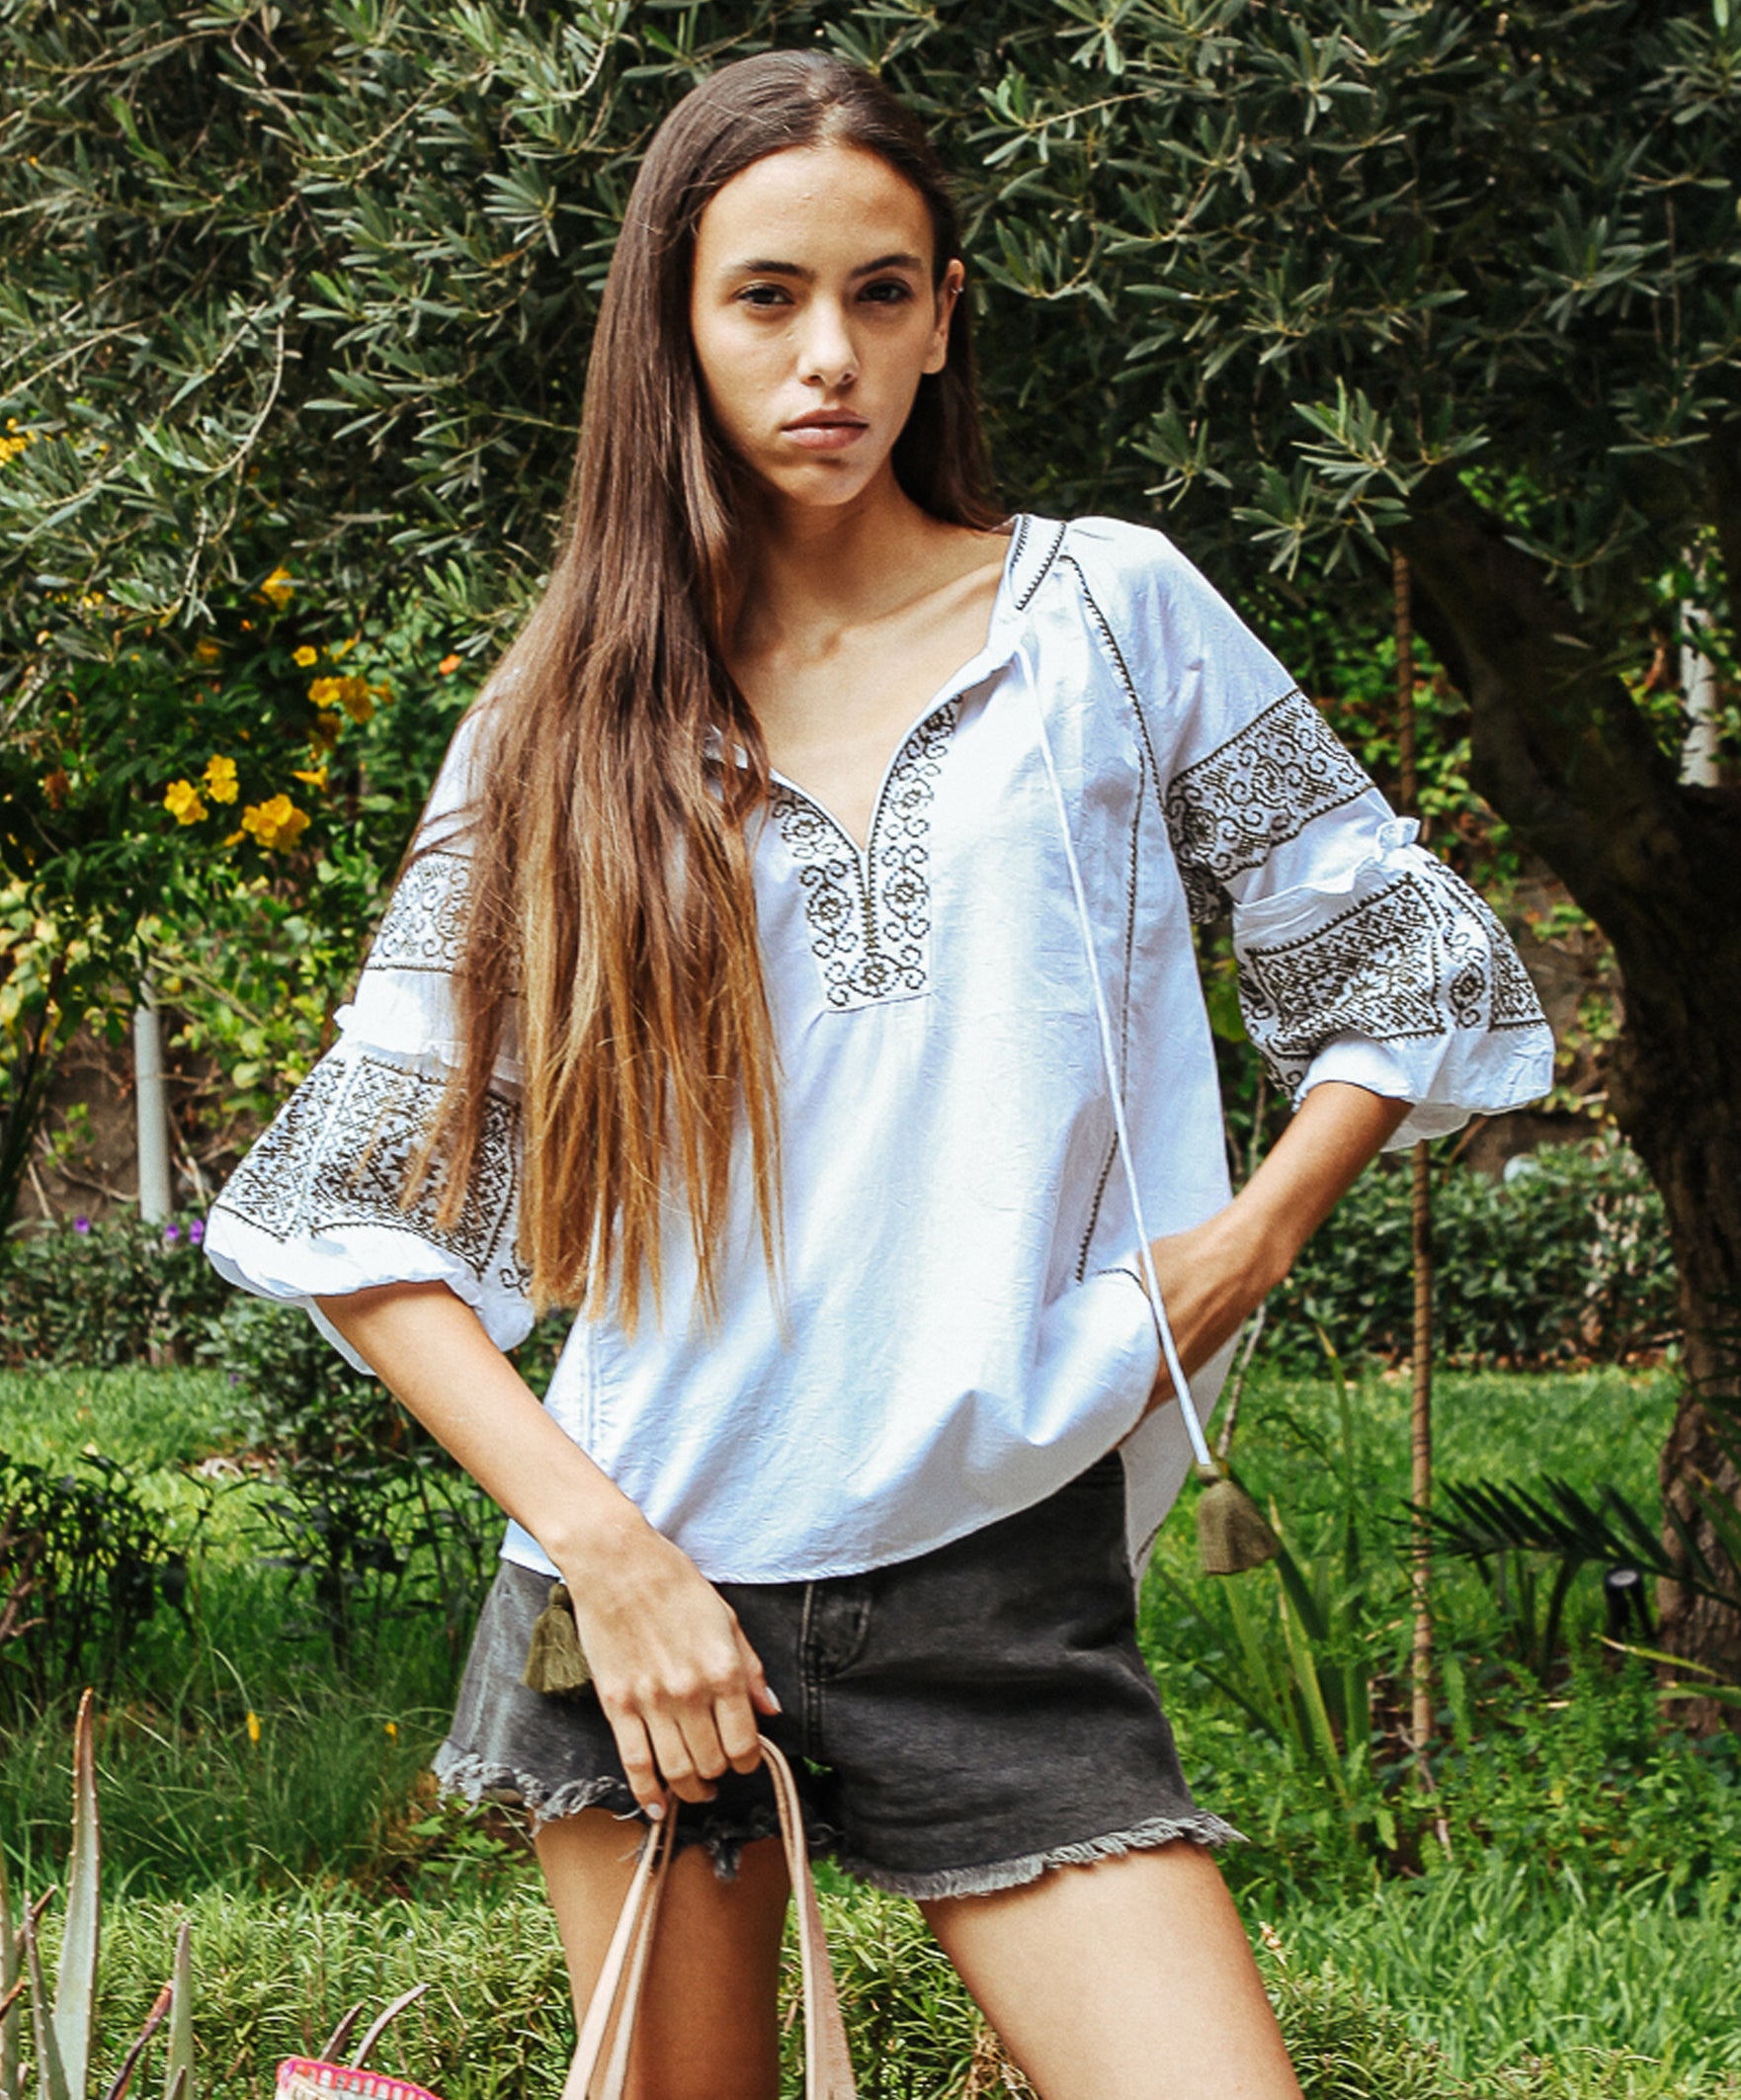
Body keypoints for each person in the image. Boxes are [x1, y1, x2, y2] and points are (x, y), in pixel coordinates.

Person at [205, 48, 1552, 2100]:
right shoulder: (561, 718)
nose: (825, 354)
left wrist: (1250, 1237)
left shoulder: (1106, 613)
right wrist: (610, 1552)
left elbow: (1393, 938)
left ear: (942, 317)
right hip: (645, 1589)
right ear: (672, 322)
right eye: (764, 296)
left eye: (880, 292)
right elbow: (354, 1206)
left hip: (995, 1569)